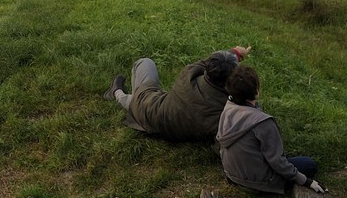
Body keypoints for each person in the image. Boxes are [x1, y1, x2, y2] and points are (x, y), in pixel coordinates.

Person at [216, 65, 325, 195]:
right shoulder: (263, 122)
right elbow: (277, 162)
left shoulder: (228, 108)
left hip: (233, 176)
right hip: (260, 183)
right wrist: (306, 181)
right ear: (256, 91)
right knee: (309, 164)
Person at [105, 45, 250, 141]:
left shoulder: (188, 75)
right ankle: (127, 97)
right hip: (168, 123)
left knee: (145, 63)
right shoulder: (225, 110)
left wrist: (235, 52)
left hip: (150, 109)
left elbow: (205, 62)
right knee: (140, 103)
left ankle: (116, 92)